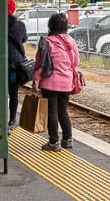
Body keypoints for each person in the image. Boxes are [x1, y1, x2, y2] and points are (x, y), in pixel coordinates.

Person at [33, 13, 79, 152]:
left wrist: (36, 79)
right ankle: (67, 139)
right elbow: (75, 62)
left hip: (49, 82)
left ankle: (54, 142)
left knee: (52, 111)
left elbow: (40, 63)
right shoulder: (71, 41)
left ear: (51, 25)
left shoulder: (47, 41)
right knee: (62, 110)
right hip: (66, 81)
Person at [7, 0, 28, 130]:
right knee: (13, 92)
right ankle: (13, 119)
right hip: (15, 65)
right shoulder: (20, 26)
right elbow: (24, 39)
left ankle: (0, 119)